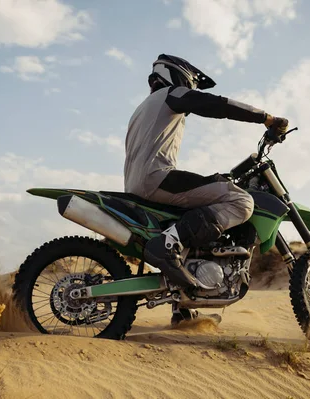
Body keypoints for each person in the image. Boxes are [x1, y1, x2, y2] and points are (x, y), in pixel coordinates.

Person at [123, 54, 289, 325]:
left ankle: (183, 308)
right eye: (190, 84)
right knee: (241, 202)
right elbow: (217, 105)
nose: (191, 90)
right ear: (176, 77)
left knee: (196, 216)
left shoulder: (143, 109)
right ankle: (167, 245)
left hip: (139, 183)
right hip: (156, 179)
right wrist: (266, 119)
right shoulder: (170, 94)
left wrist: (214, 178)